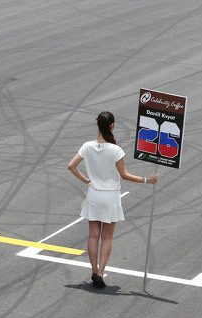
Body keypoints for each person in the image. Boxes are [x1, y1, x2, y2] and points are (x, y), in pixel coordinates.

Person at [67, 112, 158, 288]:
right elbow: (124, 175)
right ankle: (101, 272)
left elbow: (71, 166)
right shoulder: (115, 150)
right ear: (112, 126)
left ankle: (94, 270)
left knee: (93, 235)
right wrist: (148, 180)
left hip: (93, 194)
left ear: (98, 125)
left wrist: (85, 179)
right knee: (106, 237)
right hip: (110, 197)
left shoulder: (86, 146)